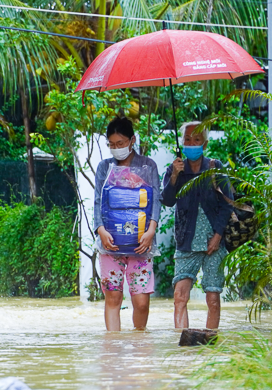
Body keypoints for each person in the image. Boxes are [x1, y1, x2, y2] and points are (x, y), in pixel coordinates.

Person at [160, 122, 234, 330]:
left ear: (205, 143)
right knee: (179, 297)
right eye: (187, 139)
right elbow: (167, 200)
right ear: (182, 142)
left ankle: (210, 344)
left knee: (212, 298)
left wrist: (218, 236)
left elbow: (228, 204)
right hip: (186, 241)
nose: (191, 143)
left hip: (213, 242)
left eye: (197, 140)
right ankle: (184, 343)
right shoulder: (175, 169)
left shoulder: (214, 167)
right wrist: (175, 175)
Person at [94, 116, 161, 331]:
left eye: (120, 144)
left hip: (141, 242)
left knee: (141, 302)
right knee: (113, 296)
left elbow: (156, 200)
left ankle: (139, 346)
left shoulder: (148, 166)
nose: (116, 148)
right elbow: (98, 201)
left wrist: (151, 230)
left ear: (132, 140)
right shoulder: (104, 167)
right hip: (110, 243)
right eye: (111, 145)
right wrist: (101, 230)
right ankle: (112, 351)